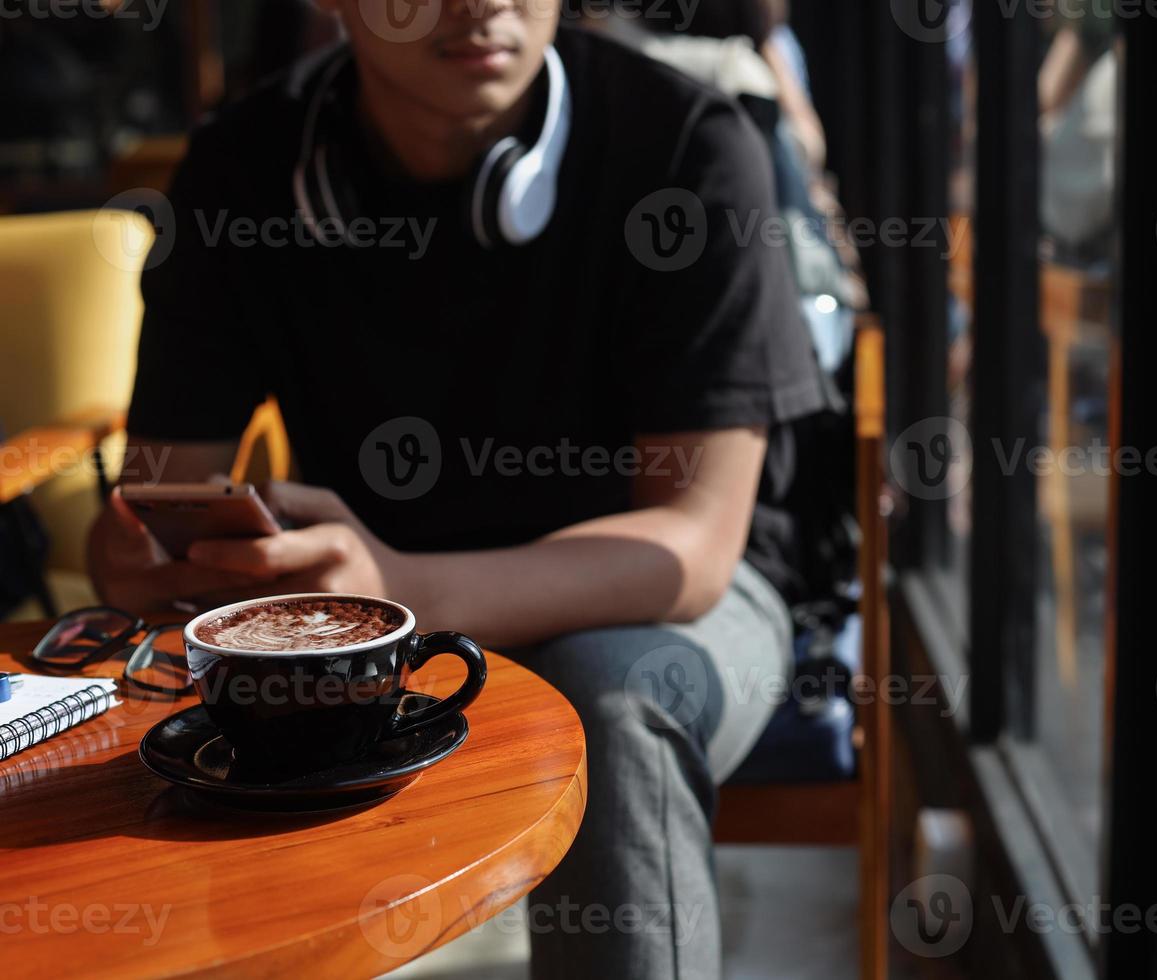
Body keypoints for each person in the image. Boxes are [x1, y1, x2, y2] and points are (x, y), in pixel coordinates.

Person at [87, 3, 828, 978]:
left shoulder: (689, 145)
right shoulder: (243, 164)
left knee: (614, 696)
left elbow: (690, 549)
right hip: (389, 608)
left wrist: (397, 588)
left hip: (661, 596)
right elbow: (156, 497)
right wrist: (153, 555)